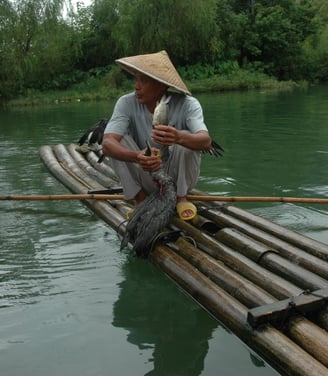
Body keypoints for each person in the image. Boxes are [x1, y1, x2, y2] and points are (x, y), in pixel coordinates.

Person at [102, 50, 213, 220]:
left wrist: (178, 137)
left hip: (178, 178)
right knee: (117, 143)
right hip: (146, 173)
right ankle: (140, 198)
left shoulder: (188, 104)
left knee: (188, 138)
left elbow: (206, 141)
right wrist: (137, 157)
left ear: (161, 84)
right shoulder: (125, 103)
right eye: (136, 79)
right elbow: (107, 143)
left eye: (143, 80)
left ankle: (181, 197)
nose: (136, 86)